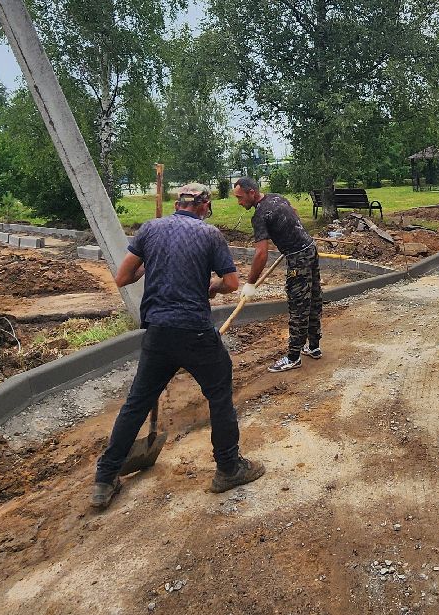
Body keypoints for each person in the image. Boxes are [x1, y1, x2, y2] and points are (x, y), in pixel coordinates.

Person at [91, 183, 264, 509]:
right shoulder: (210, 235)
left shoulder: (150, 229)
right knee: (219, 392)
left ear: (177, 204)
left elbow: (123, 277)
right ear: (204, 206)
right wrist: (209, 285)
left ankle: (105, 478)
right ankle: (228, 468)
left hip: (158, 333)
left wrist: (151, 264)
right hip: (195, 332)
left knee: (137, 402)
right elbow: (230, 284)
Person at [232, 177, 322, 373]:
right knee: (314, 299)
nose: (239, 202)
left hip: (298, 258)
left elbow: (261, 254)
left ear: (252, 193)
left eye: (240, 198)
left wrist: (250, 284)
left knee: (298, 306)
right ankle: (314, 346)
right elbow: (294, 215)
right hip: (310, 248)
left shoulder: (259, 216)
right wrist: (289, 238)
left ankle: (293, 357)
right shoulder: (277, 198)